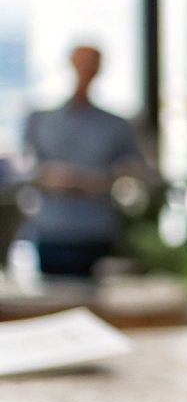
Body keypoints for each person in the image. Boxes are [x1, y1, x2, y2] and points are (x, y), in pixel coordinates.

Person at [21, 45, 152, 278]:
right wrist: (49, 177)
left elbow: (140, 171)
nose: (85, 70)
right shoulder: (40, 120)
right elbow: (25, 169)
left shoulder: (116, 125)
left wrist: (100, 181)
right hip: (51, 229)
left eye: (91, 64)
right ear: (70, 64)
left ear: (99, 69)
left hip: (97, 230)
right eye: (81, 63)